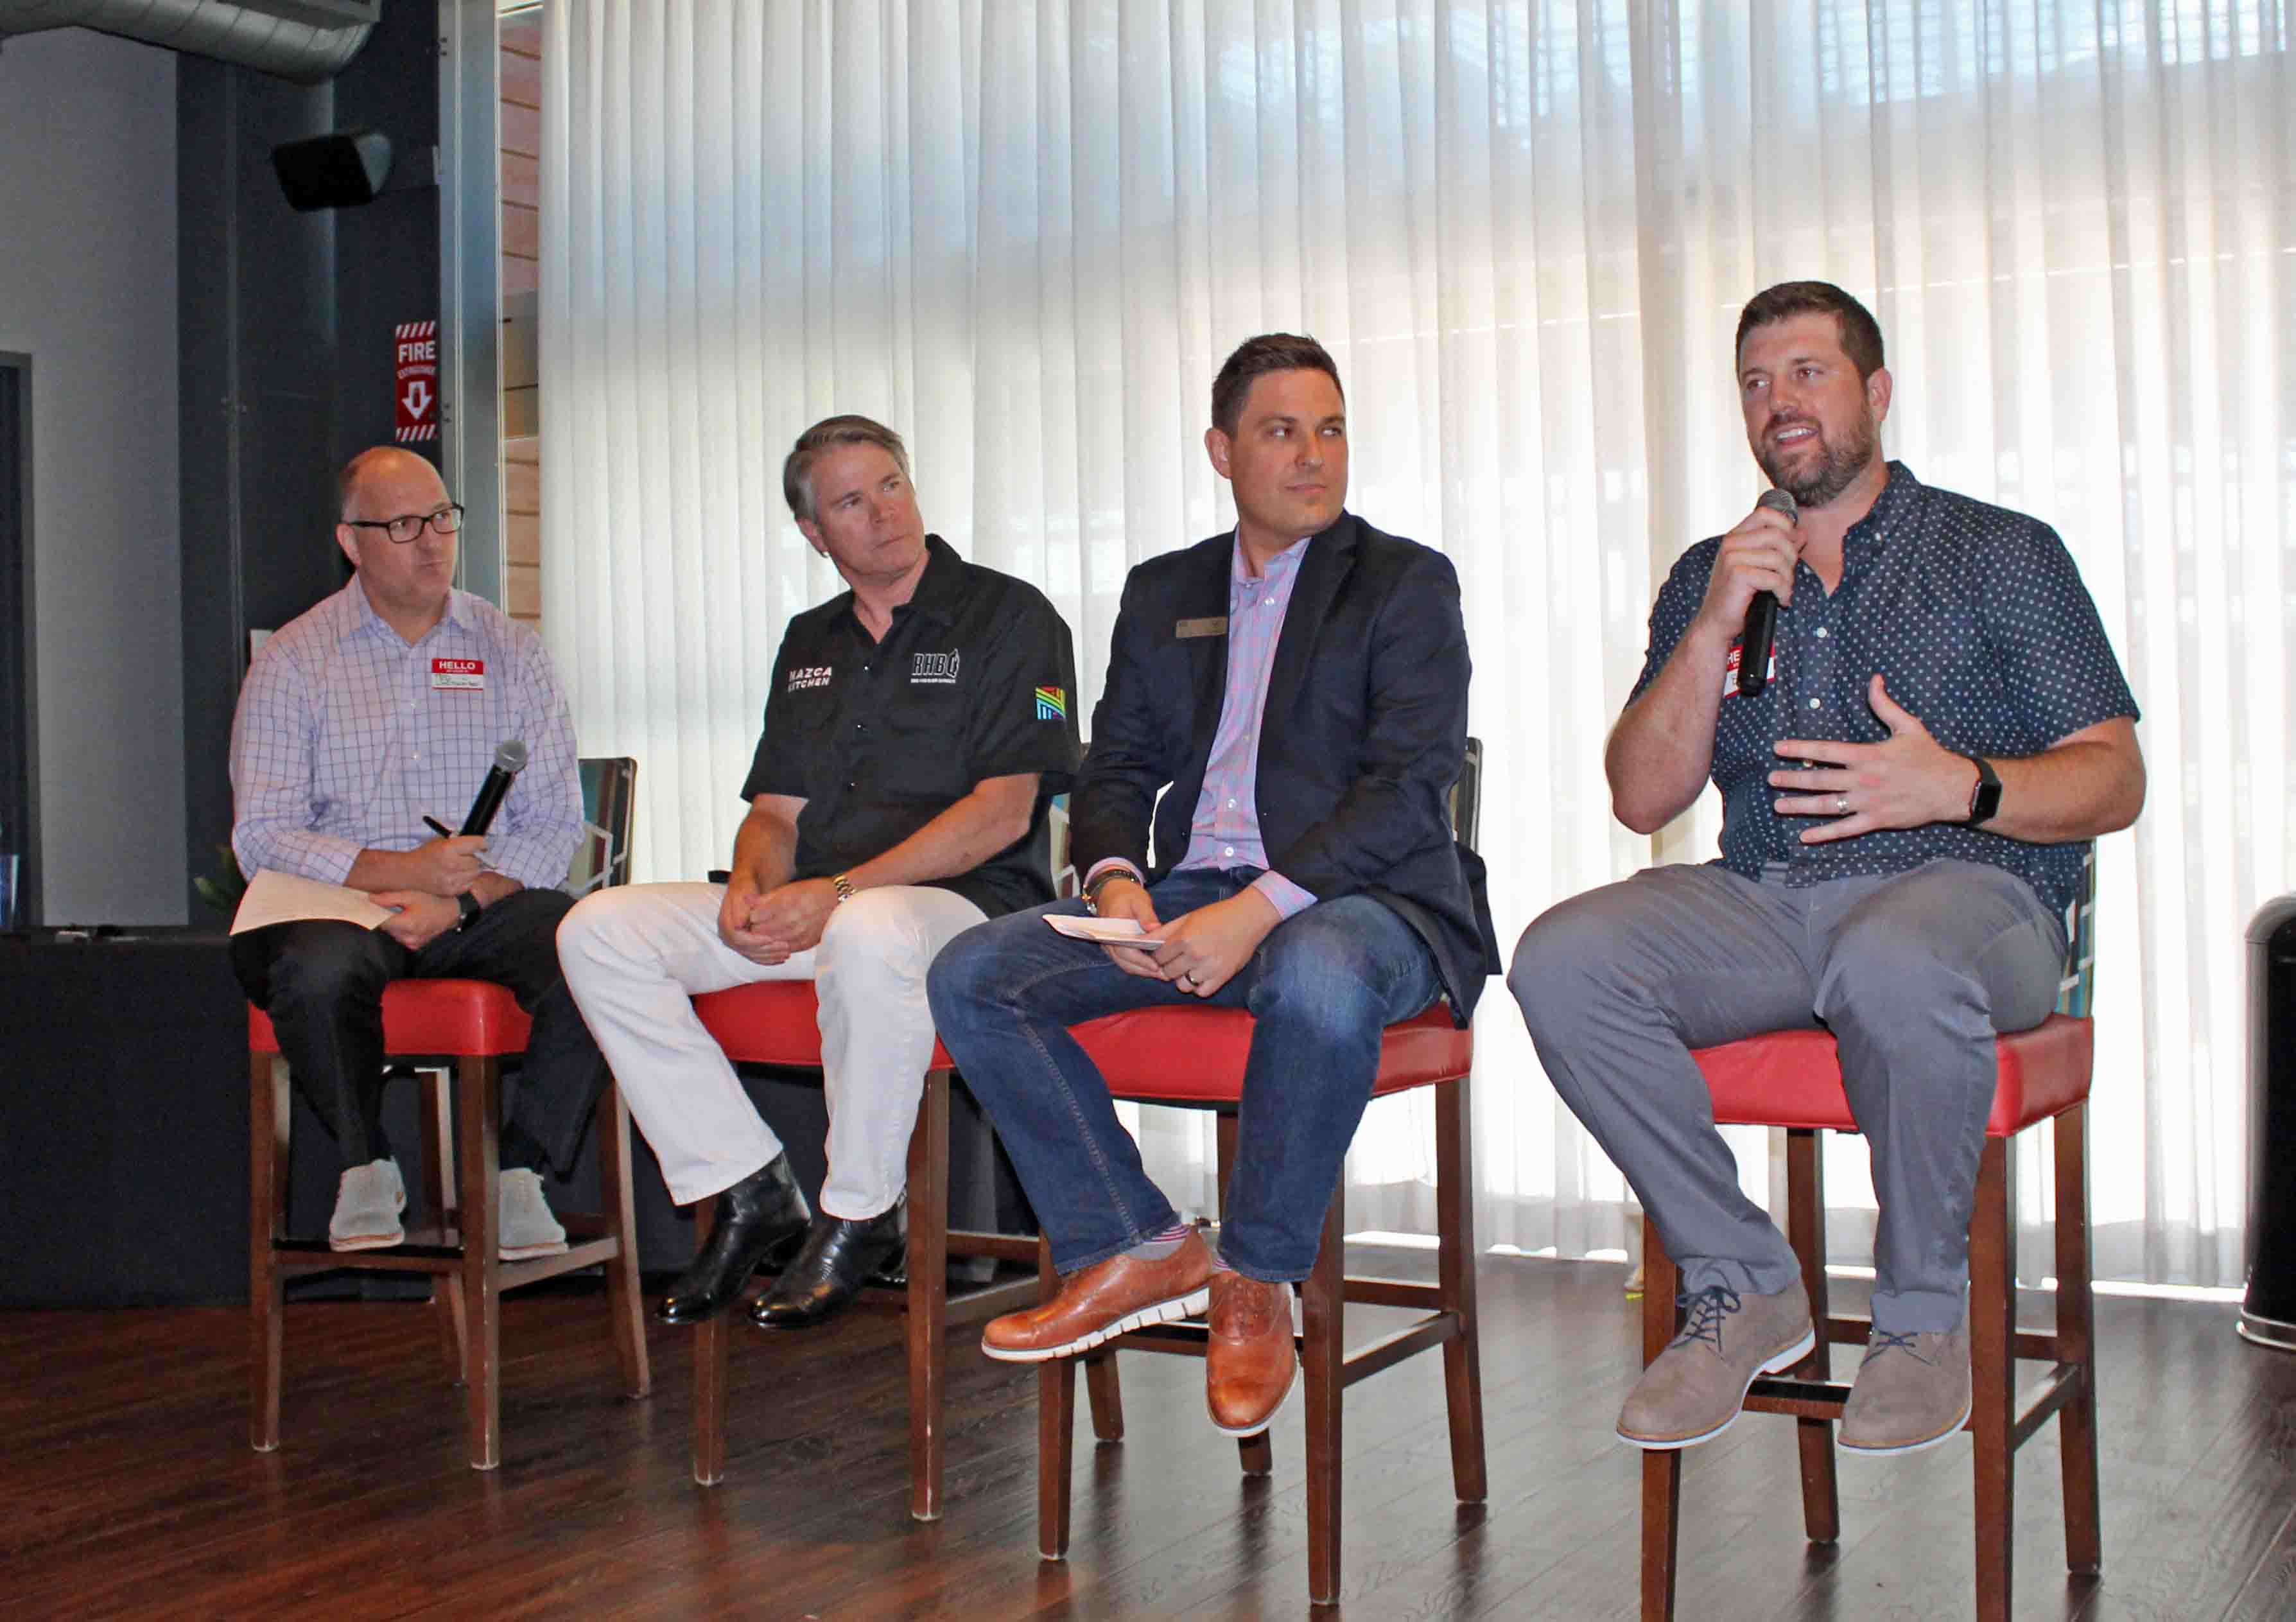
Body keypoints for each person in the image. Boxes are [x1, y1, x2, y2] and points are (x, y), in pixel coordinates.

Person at [1508, 281, 2144, 1456]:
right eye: (1755, 381)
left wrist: (1958, 783)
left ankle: (1916, 1322)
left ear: (1876, 394)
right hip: (1765, 902)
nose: (1777, 402)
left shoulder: (1999, 552)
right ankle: (1743, 1281)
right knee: (1562, 958)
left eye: (1807, 372)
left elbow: (2115, 777)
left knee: (1889, 959)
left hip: (1970, 896)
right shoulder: (1718, 570)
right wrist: (1709, 627)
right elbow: (1640, 795)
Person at [928, 334, 1499, 1438]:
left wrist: (1257, 908)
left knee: (1317, 974)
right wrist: (1117, 882)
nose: (1312, 457)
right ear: (1221, 451)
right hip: (1193, 889)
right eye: (1281, 432)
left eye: (1329, 430)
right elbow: (1116, 769)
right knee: (974, 970)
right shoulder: (1164, 591)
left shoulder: (1403, 582)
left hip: (1371, 902)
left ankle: (1255, 1276)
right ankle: (1137, 1244)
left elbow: (1406, 789)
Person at [556, 415, 1080, 1330]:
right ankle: (747, 1185)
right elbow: (774, 812)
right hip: (823, 916)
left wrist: (839, 892)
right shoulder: (811, 642)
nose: (883, 513)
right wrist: (750, 889)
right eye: (850, 501)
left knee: (871, 929)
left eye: (891, 485)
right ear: (814, 535)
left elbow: (1004, 811)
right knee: (596, 930)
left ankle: (859, 1210)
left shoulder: (1012, 617)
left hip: (964, 915)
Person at [230, 446, 598, 1258]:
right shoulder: (295, 659)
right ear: (351, 542)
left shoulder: (513, 652)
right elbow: (261, 832)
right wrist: (399, 875)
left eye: (442, 518)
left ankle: (523, 1174)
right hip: (342, 906)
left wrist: (457, 900)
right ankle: (365, 1163)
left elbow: (552, 825)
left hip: (477, 909)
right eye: (402, 525)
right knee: (317, 970)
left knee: (590, 948)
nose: (432, 541)